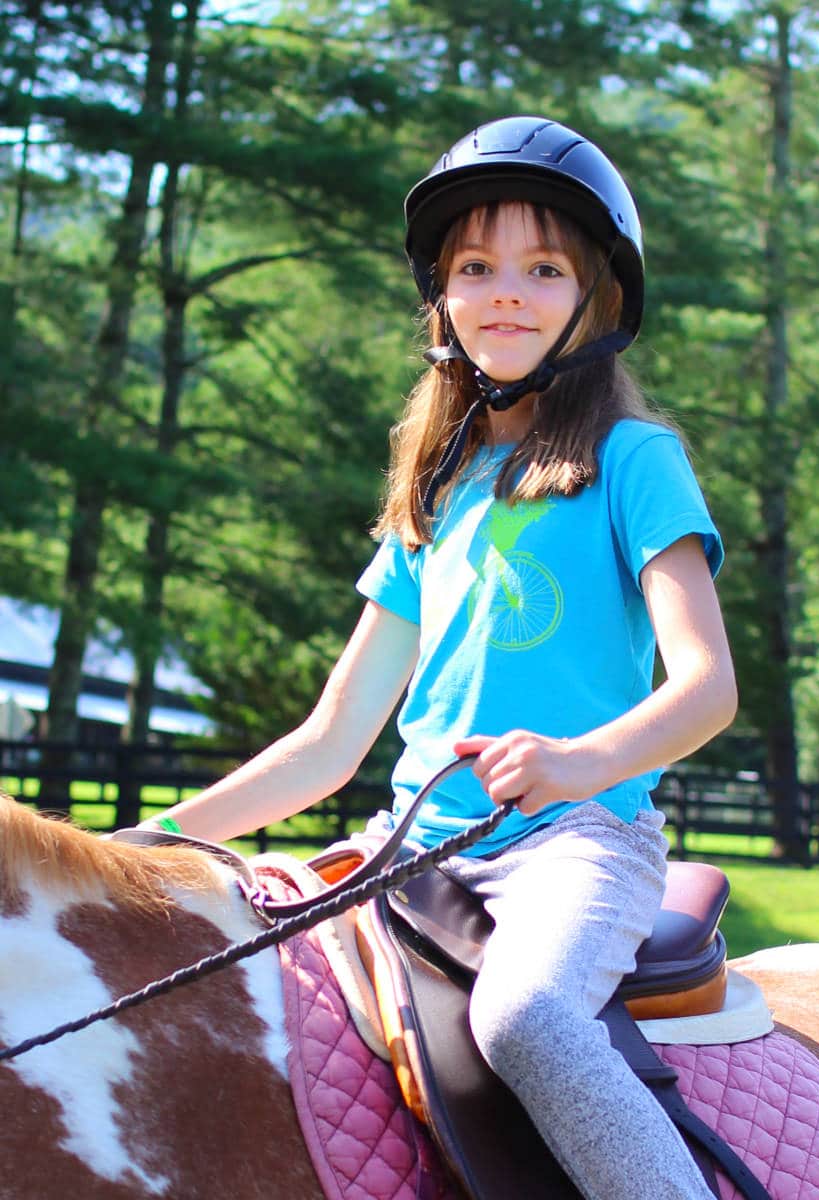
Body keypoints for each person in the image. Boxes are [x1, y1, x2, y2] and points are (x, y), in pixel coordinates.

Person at [145, 116, 736, 1200]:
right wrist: (154, 844)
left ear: (596, 298)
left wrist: (573, 764)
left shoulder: (632, 462)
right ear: (442, 297)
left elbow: (705, 687)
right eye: (475, 266)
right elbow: (328, 742)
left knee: (528, 1019)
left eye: (541, 267)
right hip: (409, 847)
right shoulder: (434, 496)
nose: (503, 291)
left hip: (573, 845)